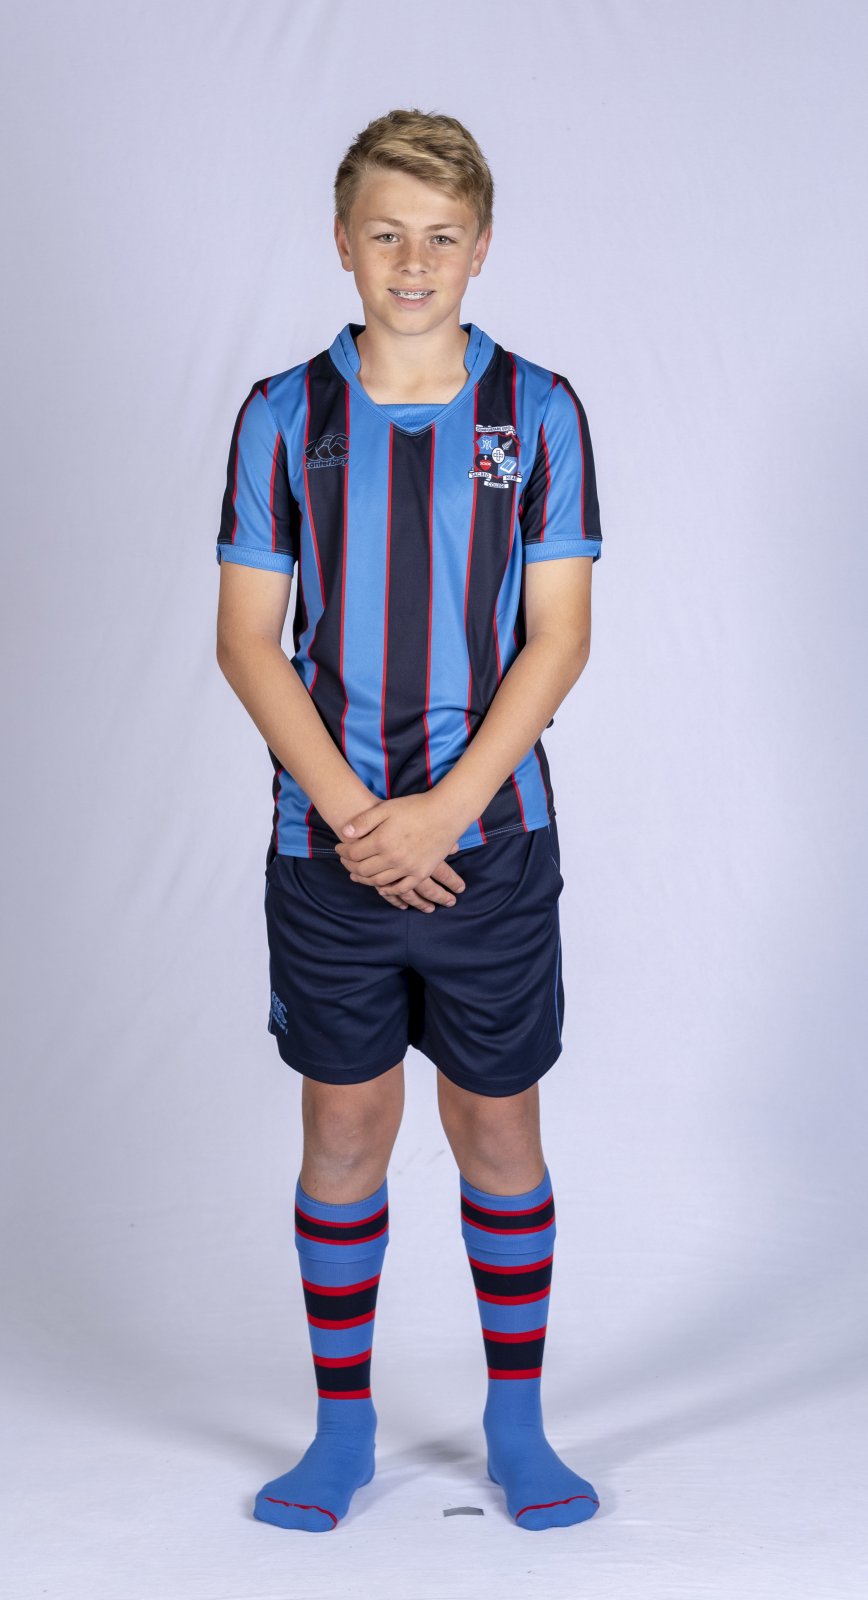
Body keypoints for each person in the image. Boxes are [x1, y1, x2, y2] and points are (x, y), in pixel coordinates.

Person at [215, 107, 603, 1534]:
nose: (414, 261)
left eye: (441, 236)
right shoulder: (281, 417)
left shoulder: (539, 412)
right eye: (386, 234)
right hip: (329, 853)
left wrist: (444, 811)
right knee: (344, 1124)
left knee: (498, 1128)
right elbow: (248, 641)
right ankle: (341, 1432)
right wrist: (360, 817)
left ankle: (518, 1426)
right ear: (343, 243)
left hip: (490, 844)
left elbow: (558, 637)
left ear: (481, 247)